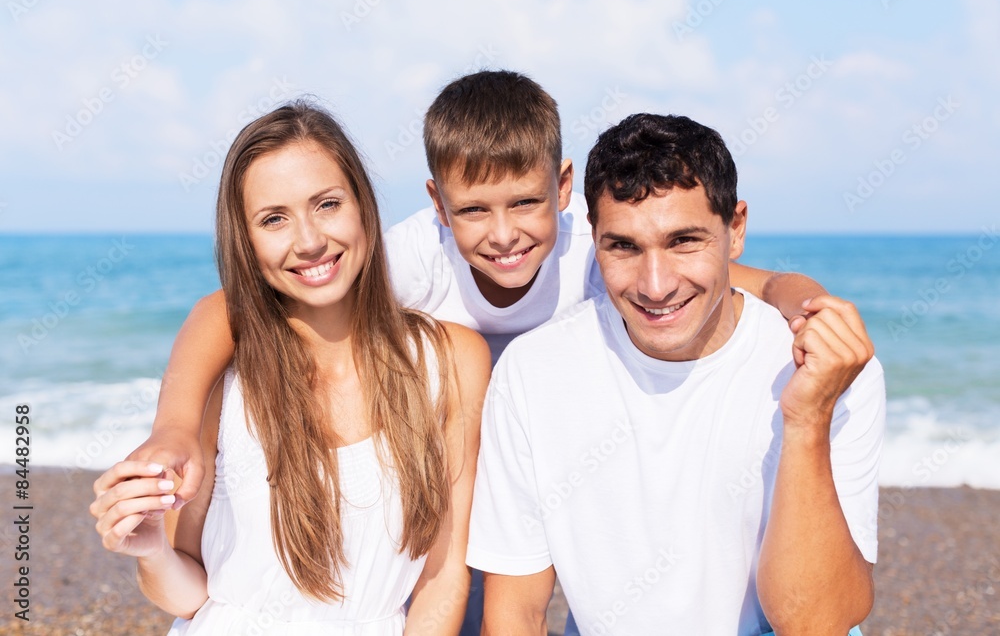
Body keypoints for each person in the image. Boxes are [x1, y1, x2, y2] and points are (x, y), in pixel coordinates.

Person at [124, 72, 829, 634]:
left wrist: (807, 308)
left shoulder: (595, 248)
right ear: (438, 204)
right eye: (472, 211)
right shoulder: (410, 256)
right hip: (452, 436)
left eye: (524, 203)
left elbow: (743, 278)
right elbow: (228, 308)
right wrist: (178, 425)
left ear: (561, 190)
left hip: (533, 439)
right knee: (449, 588)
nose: (502, 234)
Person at [467, 113, 885, 635]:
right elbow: (516, 615)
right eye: (624, 246)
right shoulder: (532, 373)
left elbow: (816, 622)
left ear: (735, 230)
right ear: (594, 239)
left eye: (684, 241)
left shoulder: (827, 370)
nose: (656, 285)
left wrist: (807, 420)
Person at [90, 101, 492, 635]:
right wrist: (151, 551)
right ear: (246, 240)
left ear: (363, 207)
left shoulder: (452, 361)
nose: (308, 241)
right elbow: (189, 597)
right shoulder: (228, 369)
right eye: (274, 219)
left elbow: (441, 580)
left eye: (327, 204)